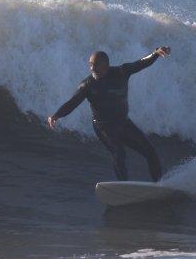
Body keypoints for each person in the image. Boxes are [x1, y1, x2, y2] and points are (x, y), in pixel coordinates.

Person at [47, 46, 171, 182]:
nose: (92, 68)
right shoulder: (87, 85)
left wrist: (155, 54)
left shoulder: (122, 72)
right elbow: (73, 102)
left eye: (96, 65)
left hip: (123, 122)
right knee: (119, 152)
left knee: (150, 151)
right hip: (103, 127)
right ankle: (123, 187)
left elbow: (140, 63)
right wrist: (56, 115)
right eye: (90, 65)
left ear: (106, 65)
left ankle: (159, 185)